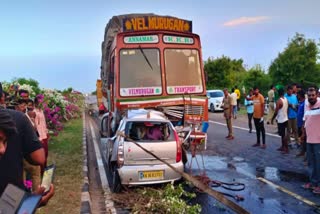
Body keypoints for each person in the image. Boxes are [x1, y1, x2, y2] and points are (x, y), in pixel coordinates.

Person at [0, 109, 54, 206]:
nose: (2, 150)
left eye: (4, 142)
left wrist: (30, 204)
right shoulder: (18, 117)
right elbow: (39, 158)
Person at [301, 87, 320, 194]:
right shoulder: (307, 105)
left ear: (317, 95)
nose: (311, 97)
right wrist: (303, 134)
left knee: (319, 163)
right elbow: (305, 119)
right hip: (309, 139)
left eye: (313, 95)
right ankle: (313, 182)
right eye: (309, 95)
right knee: (311, 163)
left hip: (318, 140)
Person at [271, 88, 289, 154]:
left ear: (278, 93)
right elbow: (287, 109)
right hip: (285, 118)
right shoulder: (286, 99)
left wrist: (272, 119)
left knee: (283, 135)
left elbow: (276, 112)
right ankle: (283, 146)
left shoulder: (279, 101)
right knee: (283, 134)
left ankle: (286, 149)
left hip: (281, 120)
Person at [34, 96, 49, 171]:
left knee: (46, 153)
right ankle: (41, 171)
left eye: (42, 102)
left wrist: (46, 132)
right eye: (39, 102)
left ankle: (45, 170)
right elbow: (35, 126)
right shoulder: (34, 112)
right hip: (40, 137)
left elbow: (44, 122)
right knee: (41, 155)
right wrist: (39, 137)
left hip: (44, 135)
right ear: (36, 102)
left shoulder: (41, 111)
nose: (41, 103)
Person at [296, 90, 306, 157]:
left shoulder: (305, 103)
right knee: (301, 139)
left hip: (303, 124)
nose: (297, 96)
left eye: (298, 95)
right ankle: (302, 152)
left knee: (304, 139)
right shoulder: (300, 102)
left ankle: (306, 154)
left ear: (300, 95)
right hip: (299, 124)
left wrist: (303, 125)